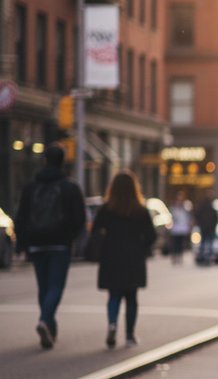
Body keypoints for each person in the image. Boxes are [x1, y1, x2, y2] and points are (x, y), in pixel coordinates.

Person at [13, 143, 86, 349]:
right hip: (60, 245)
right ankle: (45, 321)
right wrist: (70, 237)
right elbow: (79, 217)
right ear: (63, 162)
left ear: (45, 160)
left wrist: (22, 243)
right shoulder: (70, 187)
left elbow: (21, 216)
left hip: (37, 244)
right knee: (55, 287)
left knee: (44, 287)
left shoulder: (30, 187)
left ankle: (49, 328)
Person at [91, 170, 157, 348]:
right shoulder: (140, 210)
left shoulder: (106, 209)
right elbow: (151, 235)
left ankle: (112, 324)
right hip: (133, 258)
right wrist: (141, 246)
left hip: (111, 257)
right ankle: (129, 335)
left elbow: (95, 231)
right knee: (131, 297)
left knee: (113, 295)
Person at [193, 189, 218, 266]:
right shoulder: (211, 207)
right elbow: (216, 218)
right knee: (209, 244)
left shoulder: (202, 207)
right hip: (209, 228)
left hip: (204, 228)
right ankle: (208, 258)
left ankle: (202, 258)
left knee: (203, 244)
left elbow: (196, 216)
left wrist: (200, 224)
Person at [167, 191, 192, 264]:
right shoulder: (173, 209)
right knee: (174, 244)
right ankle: (174, 257)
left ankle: (179, 257)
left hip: (182, 229)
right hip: (175, 230)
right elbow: (171, 218)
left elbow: (188, 219)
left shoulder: (185, 209)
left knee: (180, 244)